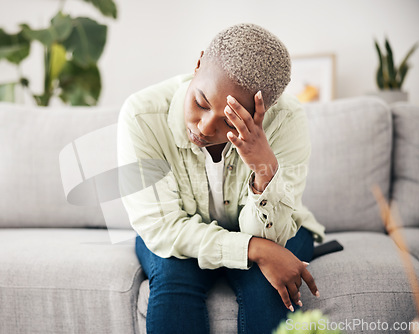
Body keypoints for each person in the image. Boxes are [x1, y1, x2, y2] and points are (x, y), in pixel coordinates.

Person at [117, 23, 326, 334]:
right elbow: (161, 228)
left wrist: (264, 169)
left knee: (267, 285)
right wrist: (253, 249)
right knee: (174, 278)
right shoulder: (141, 116)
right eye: (200, 102)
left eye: (230, 120)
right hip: (176, 226)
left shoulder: (287, 119)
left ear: (264, 112)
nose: (203, 127)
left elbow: (274, 238)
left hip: (276, 227)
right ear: (198, 64)